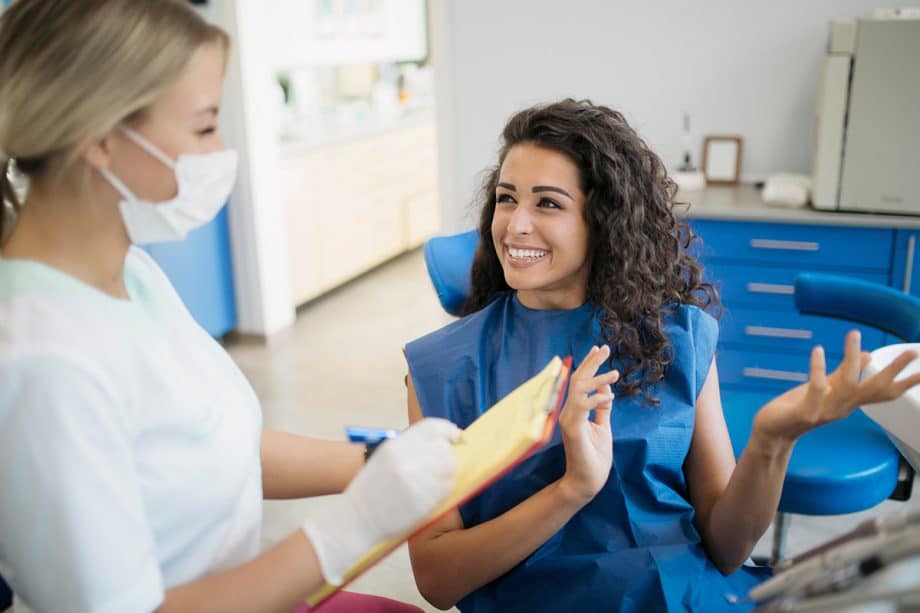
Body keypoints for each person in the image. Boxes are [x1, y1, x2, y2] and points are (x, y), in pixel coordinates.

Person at [0, 2, 460, 611]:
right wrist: (348, 529)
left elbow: (214, 441)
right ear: (101, 140)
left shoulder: (131, 274)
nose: (223, 150)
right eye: (204, 126)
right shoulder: (42, 361)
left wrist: (377, 459)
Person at [402, 99, 920, 611]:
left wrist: (771, 440)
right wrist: (572, 489)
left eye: (548, 203)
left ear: (603, 221)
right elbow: (437, 581)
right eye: (507, 198)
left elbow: (726, 547)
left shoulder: (677, 335)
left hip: (689, 597)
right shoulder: (441, 368)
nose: (514, 225)